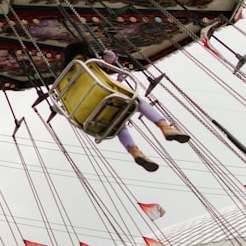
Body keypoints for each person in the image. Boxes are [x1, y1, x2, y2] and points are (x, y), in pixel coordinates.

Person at [62, 43, 190, 172]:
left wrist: (119, 80)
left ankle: (134, 152)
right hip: (101, 96)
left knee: (117, 121)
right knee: (137, 102)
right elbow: (108, 63)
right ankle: (165, 127)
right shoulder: (86, 62)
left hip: (83, 115)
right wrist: (110, 58)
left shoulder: (63, 79)